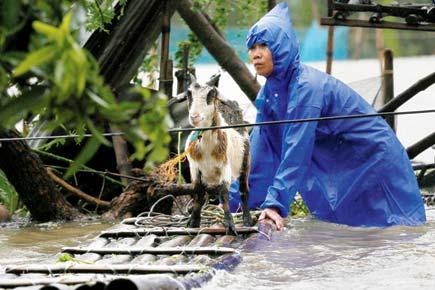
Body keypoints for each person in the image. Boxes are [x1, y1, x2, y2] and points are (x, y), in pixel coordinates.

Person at [229, 2, 426, 229]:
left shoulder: (306, 87)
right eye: (252, 48)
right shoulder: (270, 94)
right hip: (346, 163)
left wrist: (275, 205)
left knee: (397, 232)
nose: (256, 55)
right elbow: (263, 150)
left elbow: (296, 149)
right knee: (353, 233)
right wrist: (234, 203)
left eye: (264, 45)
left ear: (281, 46)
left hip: (374, 160)